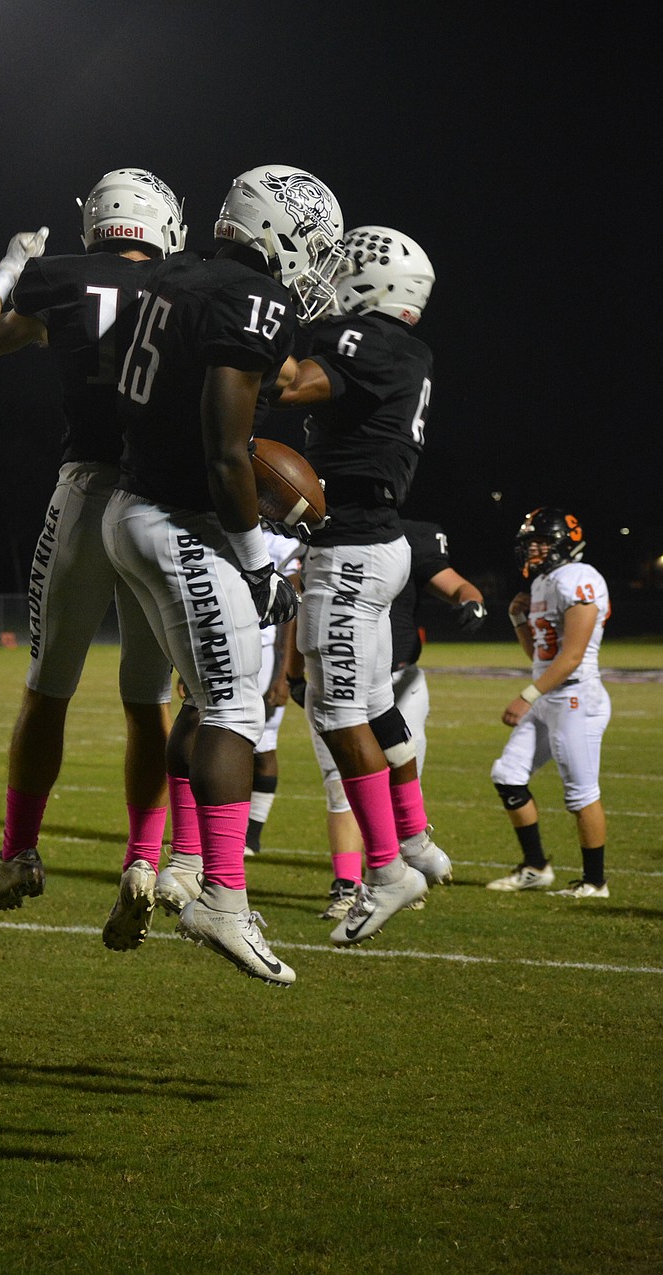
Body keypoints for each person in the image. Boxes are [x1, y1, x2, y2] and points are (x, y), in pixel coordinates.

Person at [102, 165, 347, 986]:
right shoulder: (254, 298)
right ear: (276, 232)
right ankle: (222, 896)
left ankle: (182, 865)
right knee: (237, 705)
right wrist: (258, 560)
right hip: (178, 518)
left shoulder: (173, 273)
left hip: (136, 504)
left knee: (213, 698)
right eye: (310, 244)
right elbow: (222, 448)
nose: (311, 263)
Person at [0, 169, 185, 946]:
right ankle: (143, 860)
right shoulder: (186, 283)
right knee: (148, 700)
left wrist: (11, 269)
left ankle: (18, 850)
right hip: (161, 499)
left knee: (47, 688)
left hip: (86, 493)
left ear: (96, 226)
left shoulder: (58, 279)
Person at [273, 225, 444, 946]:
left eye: (343, 269)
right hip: (378, 539)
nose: (328, 277)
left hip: (350, 548)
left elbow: (293, 384)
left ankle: (384, 871)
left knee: (336, 711)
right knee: (372, 704)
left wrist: (249, 333)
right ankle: (414, 838)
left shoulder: (363, 340)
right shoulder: (406, 347)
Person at [291, 519, 486, 918]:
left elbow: (455, 584)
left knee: (401, 777)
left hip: (398, 679)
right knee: (340, 785)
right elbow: (303, 609)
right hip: (337, 677)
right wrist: (294, 674)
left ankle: (397, 872)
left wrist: (471, 600)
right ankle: (347, 886)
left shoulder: (405, 538)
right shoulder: (320, 538)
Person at [486, 507, 612, 897]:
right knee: (508, 774)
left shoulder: (580, 578)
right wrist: (517, 621)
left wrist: (527, 696)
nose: (534, 550)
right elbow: (540, 655)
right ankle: (536, 867)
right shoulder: (544, 583)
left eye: (541, 542)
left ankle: (595, 882)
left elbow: (571, 656)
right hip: (550, 693)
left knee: (580, 792)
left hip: (575, 695)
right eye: (530, 544)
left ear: (566, 542)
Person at [243, 527, 304, 858]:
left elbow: (292, 607)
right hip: (226, 645)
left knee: (262, 745)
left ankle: (251, 835)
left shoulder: (284, 544)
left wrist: (283, 675)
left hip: (266, 652)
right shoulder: (224, 527)